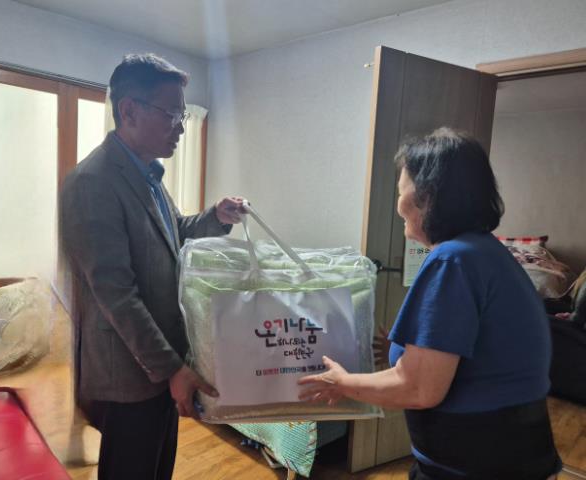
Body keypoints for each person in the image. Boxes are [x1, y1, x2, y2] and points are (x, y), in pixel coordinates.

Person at [298, 128, 562, 479]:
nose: (398, 204)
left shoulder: (452, 260)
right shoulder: (484, 251)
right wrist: (397, 352)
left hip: (478, 466)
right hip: (514, 457)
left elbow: (419, 388)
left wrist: (343, 383)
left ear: (428, 195)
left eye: (401, 190)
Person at [59, 53, 245, 480]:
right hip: (128, 373)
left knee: (158, 468)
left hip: (161, 359)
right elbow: (116, 296)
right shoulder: (93, 182)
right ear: (129, 111)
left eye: (182, 115)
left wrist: (217, 216)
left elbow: (175, 232)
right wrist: (172, 369)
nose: (181, 127)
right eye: (172, 114)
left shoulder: (148, 177)